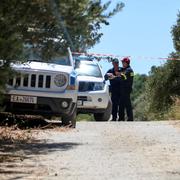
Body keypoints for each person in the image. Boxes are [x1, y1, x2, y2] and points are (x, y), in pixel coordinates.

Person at [119, 57, 134, 121]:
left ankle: (130, 118)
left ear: (126, 63)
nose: (122, 63)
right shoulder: (127, 69)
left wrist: (119, 74)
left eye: (123, 62)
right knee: (122, 104)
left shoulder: (129, 70)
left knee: (127, 104)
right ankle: (122, 118)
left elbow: (124, 77)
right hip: (125, 89)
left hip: (126, 89)